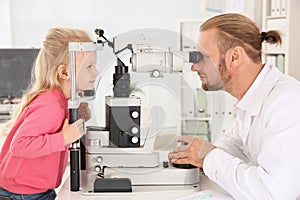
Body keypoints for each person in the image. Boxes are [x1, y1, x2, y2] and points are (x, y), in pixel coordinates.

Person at [169, 13, 300, 199]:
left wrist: (207, 157)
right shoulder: (250, 103)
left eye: (202, 57)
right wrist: (193, 159)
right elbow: (229, 151)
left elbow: (273, 193)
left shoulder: (287, 102)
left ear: (235, 57)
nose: (194, 67)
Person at [0, 28, 99, 199]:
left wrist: (76, 118)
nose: (96, 72)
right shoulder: (50, 105)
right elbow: (20, 146)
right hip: (21, 194)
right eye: (89, 66)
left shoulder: (62, 101)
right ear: (64, 73)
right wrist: (63, 138)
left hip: (36, 190)